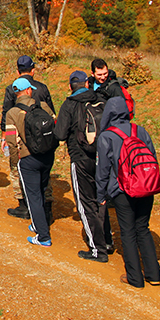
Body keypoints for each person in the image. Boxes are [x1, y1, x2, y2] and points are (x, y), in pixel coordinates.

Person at [96, 96, 160, 287]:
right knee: (143, 228)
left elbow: (103, 169)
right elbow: (153, 159)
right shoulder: (141, 131)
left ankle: (135, 277)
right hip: (146, 187)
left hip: (122, 190)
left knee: (127, 232)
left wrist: (101, 195)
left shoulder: (107, 136)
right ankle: (153, 274)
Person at [56, 70, 113, 262]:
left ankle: (97, 249)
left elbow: (60, 134)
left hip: (80, 158)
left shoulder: (69, 104)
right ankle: (106, 240)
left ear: (71, 86)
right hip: (103, 157)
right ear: (87, 83)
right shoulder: (101, 101)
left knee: (85, 202)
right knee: (101, 199)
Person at [3, 77, 57, 245]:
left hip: (28, 159)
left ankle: (43, 236)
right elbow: (55, 125)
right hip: (48, 155)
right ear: (27, 91)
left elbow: (11, 142)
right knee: (41, 189)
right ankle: (39, 224)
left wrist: (14, 163)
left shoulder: (12, 113)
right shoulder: (44, 106)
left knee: (33, 196)